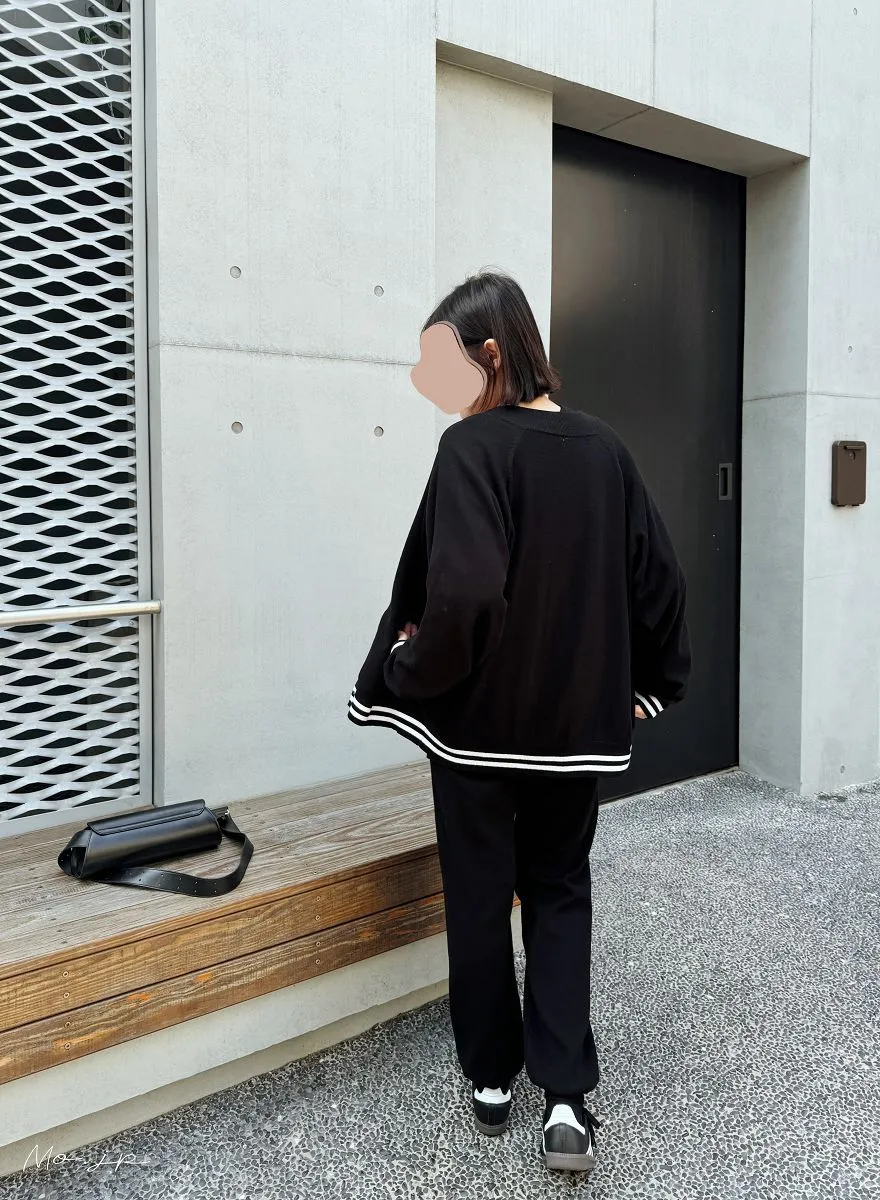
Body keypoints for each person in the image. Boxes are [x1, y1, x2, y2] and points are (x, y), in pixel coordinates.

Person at [348, 269, 690, 1174]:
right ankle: (567, 1098)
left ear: (492, 355)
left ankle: (492, 1077)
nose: (435, 387)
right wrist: (646, 687)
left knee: (477, 892)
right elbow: (660, 582)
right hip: (575, 734)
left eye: (444, 365)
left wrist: (407, 670)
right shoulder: (606, 450)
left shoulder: (472, 448)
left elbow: (461, 595)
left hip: (474, 734)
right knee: (560, 889)